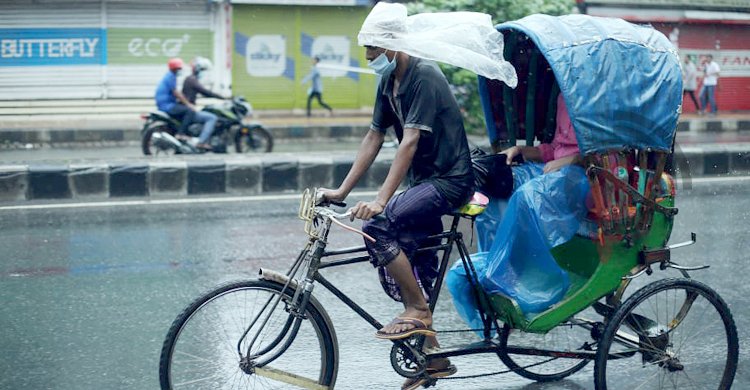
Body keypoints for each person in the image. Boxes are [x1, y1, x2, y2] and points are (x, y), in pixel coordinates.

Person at [447, 93, 591, 332]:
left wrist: (567, 161)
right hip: (554, 170)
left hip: (584, 176)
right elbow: (554, 149)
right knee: (493, 188)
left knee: (526, 196)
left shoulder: (595, 95)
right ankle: (499, 269)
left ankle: (518, 277)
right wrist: (519, 150)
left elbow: (606, 150)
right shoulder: (563, 95)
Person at [182, 57, 228, 151]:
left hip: (189, 109)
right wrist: (222, 97)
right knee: (212, 118)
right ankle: (201, 142)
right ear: (198, 69)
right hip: (190, 110)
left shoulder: (190, 79)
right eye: (203, 70)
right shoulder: (192, 80)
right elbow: (205, 92)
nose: (204, 73)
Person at [154, 58, 195, 138]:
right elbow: (177, 93)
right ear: (174, 69)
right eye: (179, 68)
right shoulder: (171, 77)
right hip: (167, 105)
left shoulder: (169, 76)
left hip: (165, 104)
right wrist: (188, 104)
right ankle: (181, 133)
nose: (180, 70)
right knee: (189, 111)